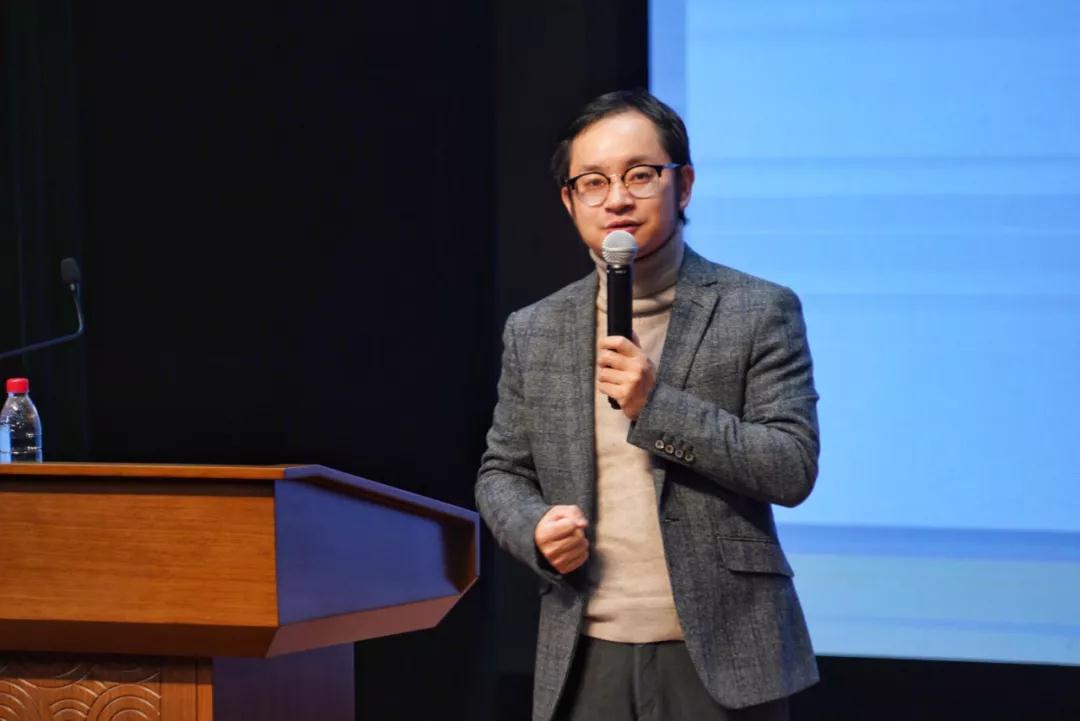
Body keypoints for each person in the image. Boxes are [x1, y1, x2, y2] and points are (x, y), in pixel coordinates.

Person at [476, 89, 819, 721]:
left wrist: (655, 405)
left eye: (640, 175)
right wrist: (533, 529)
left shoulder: (757, 310)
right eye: (593, 182)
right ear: (569, 201)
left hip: (723, 651)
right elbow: (501, 472)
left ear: (682, 185)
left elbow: (790, 466)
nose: (616, 199)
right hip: (585, 648)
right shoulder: (536, 328)